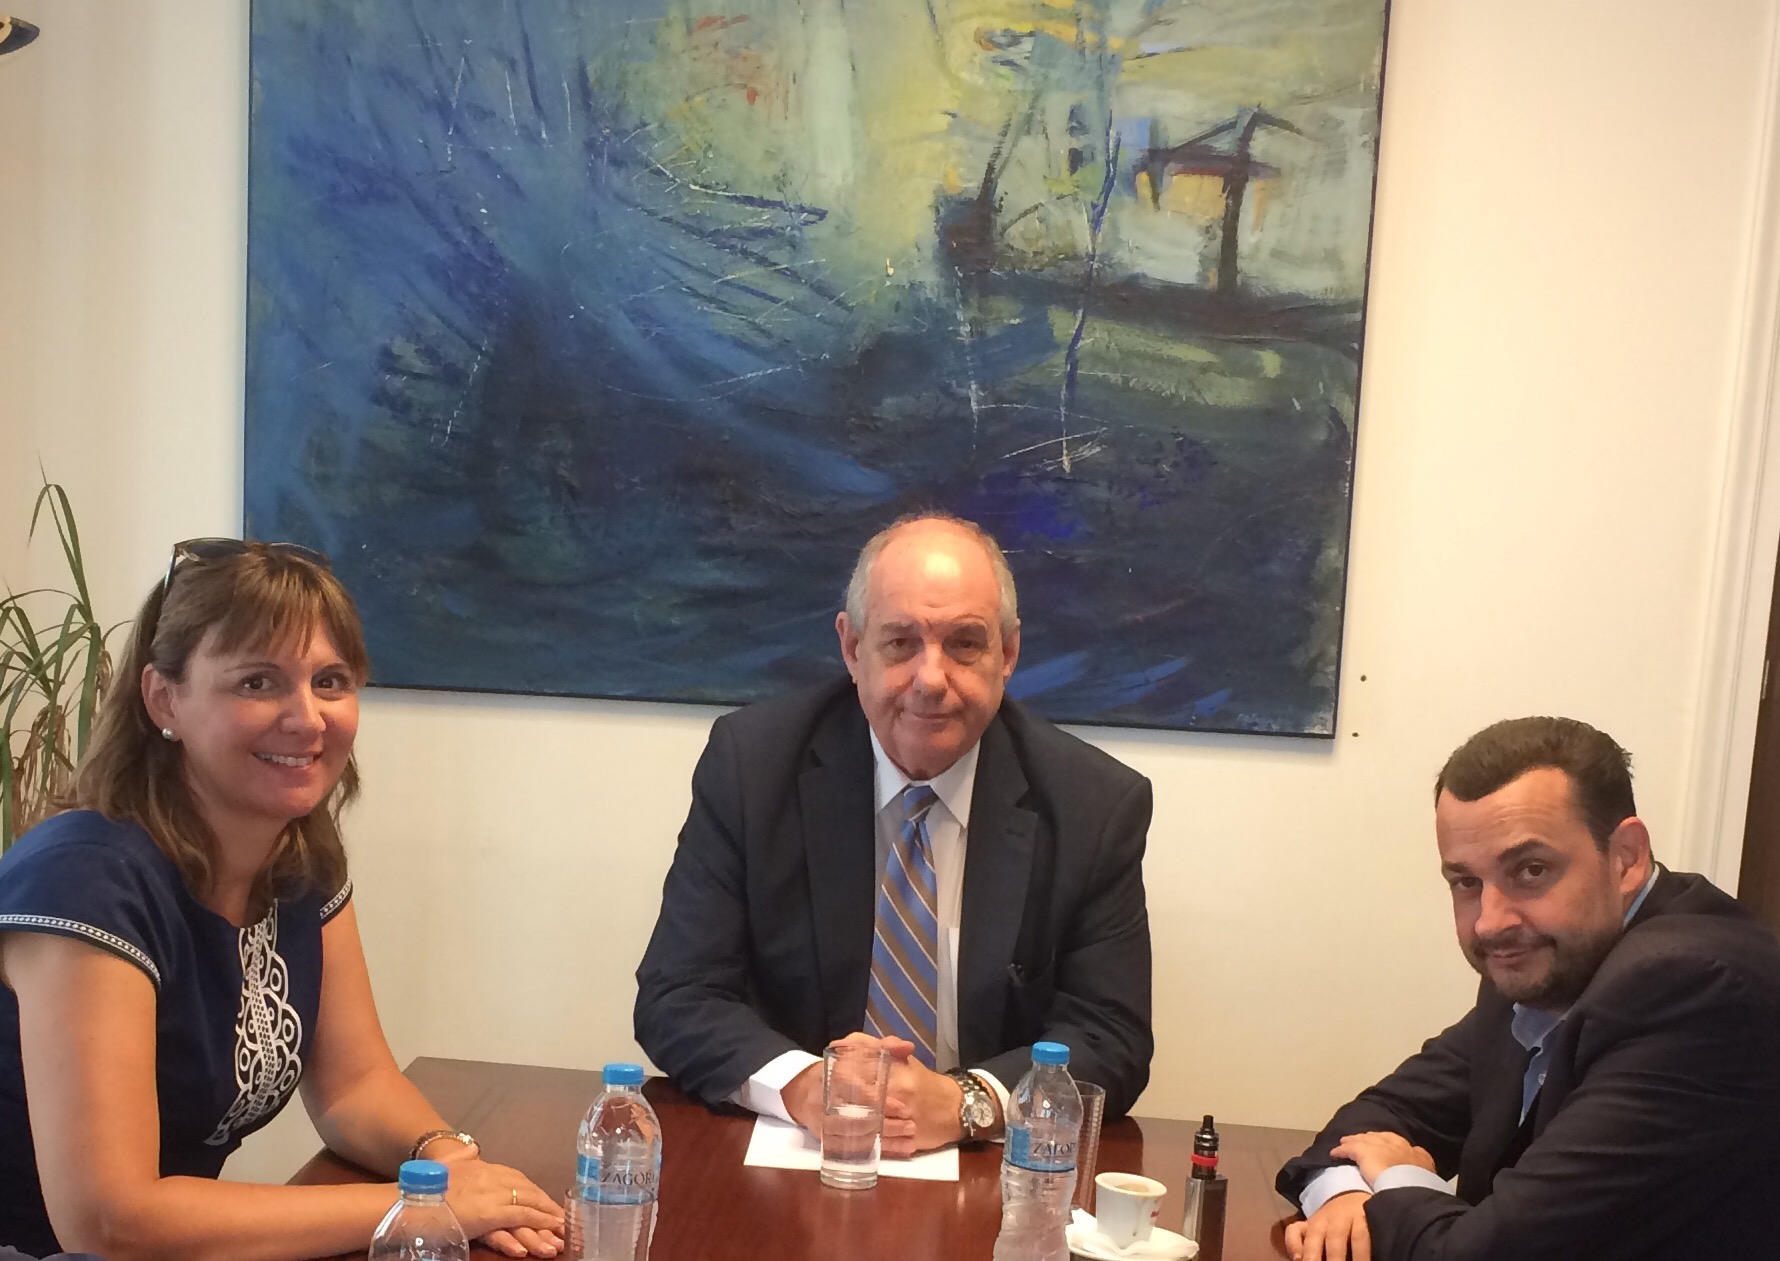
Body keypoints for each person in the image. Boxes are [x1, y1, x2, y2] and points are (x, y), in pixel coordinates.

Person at [0, 540, 565, 1260]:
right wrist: (417, 1206)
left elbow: (355, 1086)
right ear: (164, 698)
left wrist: (450, 1160)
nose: (307, 718)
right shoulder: (84, 879)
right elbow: (111, 1220)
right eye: (257, 682)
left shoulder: (298, 855)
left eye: (330, 681)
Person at [634, 513, 1153, 1155]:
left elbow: (1110, 1034)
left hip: (985, 1170)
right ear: (853, 649)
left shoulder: (1093, 804)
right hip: (794, 1156)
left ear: (1008, 654)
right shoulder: (752, 767)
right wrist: (805, 1086)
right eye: (901, 642)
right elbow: (678, 994)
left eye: (965, 643)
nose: (931, 679)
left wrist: (968, 1101)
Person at [1277, 716, 1780, 1261]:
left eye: (1531, 870)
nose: (1490, 922)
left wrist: (1396, 1180)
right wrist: (1346, 1196)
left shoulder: (1693, 991)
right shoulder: (1546, 959)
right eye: (1466, 882)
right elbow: (1385, 1113)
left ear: (1627, 858)